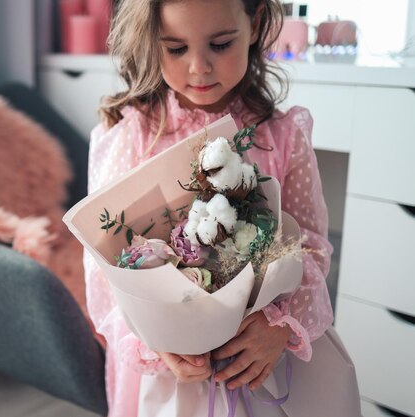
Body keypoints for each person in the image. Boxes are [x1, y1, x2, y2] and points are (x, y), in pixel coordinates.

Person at [83, 0, 334, 416]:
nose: (199, 67)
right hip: (164, 375)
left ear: (254, 25)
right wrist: (153, 343)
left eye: (220, 44)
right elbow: (102, 270)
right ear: (150, 41)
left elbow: (312, 248)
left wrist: (280, 325)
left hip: (258, 367)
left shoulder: (284, 137)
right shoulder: (130, 137)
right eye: (176, 49)